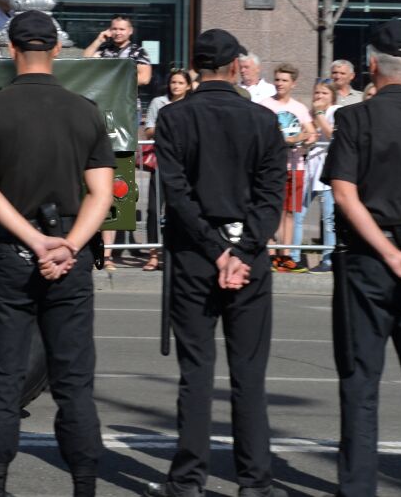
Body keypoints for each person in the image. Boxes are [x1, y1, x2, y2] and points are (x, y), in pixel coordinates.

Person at [0, 10, 114, 497]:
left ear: (11, 51)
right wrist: (68, 245)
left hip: (11, 253)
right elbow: (101, 195)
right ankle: (84, 485)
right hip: (69, 257)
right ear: (56, 51)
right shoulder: (86, 112)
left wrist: (33, 242)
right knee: (73, 383)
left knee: (5, 379)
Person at [146, 29, 287, 497]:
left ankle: (187, 480)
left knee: (197, 372)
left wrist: (215, 249)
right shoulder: (263, 121)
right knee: (248, 374)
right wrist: (242, 250)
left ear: (196, 68)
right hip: (246, 259)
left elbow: (178, 194)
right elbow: (271, 200)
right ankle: (255, 481)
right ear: (233, 67)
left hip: (194, 256)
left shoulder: (173, 118)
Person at [324, 19, 401, 497]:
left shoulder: (354, 119)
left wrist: (390, 252)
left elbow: (344, 192)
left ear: (371, 64)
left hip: (370, 263)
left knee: (360, 386)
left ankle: (357, 490)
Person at [257, 63, 313, 272]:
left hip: (295, 165)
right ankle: (271, 253)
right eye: (277, 79)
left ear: (293, 84)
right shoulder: (265, 105)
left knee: (290, 212)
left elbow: (311, 133)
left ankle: (286, 255)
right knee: (274, 209)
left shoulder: (298, 108)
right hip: (272, 166)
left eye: (284, 80)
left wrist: (300, 138)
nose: (280, 84)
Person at [139, 65, 193, 270]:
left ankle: (177, 253)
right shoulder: (159, 102)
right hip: (162, 161)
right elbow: (149, 131)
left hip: (185, 163)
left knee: (179, 208)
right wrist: (168, 124)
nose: (176, 86)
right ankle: (153, 254)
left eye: (180, 83)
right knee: (153, 209)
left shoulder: (192, 105)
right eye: (173, 82)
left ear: (188, 86)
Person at [302, 80, 337, 272]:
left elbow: (332, 135)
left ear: (332, 95)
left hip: (328, 169)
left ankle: (328, 259)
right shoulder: (310, 113)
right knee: (298, 212)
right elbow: (307, 138)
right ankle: (294, 256)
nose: (319, 97)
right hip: (312, 168)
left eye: (324, 93)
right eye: (317, 93)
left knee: (329, 217)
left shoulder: (335, 111)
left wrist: (320, 114)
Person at [83, 15, 154, 88]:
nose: (117, 33)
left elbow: (144, 79)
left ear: (130, 31)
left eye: (122, 29)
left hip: (127, 98)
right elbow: (84, 62)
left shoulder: (138, 52)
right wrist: (98, 40)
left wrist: (112, 80)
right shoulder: (103, 50)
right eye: (114, 29)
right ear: (110, 30)